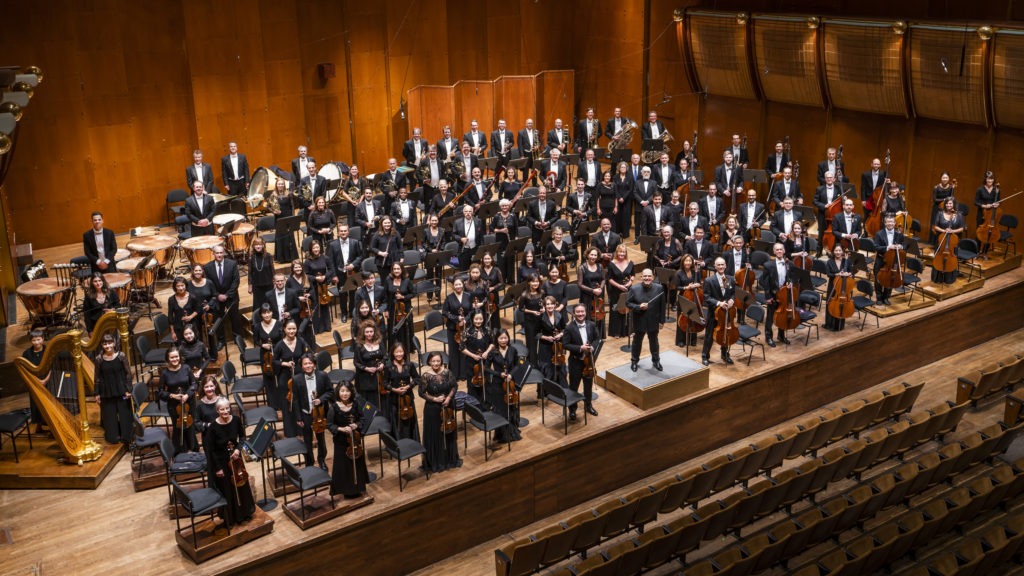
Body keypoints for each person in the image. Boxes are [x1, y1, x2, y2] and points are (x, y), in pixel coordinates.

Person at [204, 397, 255, 527]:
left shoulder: (236, 420)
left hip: (236, 459)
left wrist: (238, 450)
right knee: (227, 488)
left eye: (227, 408)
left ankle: (245, 513)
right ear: (217, 410)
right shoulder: (213, 427)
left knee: (241, 484)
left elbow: (242, 437)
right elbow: (212, 450)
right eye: (222, 409)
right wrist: (218, 468)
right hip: (222, 461)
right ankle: (231, 517)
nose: (225, 411)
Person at [419, 351, 460, 472]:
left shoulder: (447, 372)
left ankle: (449, 459)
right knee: (435, 434)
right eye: (433, 361)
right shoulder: (426, 376)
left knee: (448, 433)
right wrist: (434, 399)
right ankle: (437, 461)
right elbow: (421, 393)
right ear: (429, 362)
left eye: (438, 361)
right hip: (432, 409)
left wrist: (448, 398)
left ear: (441, 361)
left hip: (447, 407)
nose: (436, 363)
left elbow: (454, 386)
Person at [327, 382, 369, 498]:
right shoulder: (334, 408)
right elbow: (329, 425)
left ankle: (358, 488)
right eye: (342, 391)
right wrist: (341, 429)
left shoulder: (356, 404)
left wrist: (356, 425)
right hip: (341, 442)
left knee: (357, 464)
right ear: (338, 392)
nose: (345, 394)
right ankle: (346, 490)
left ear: (351, 392)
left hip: (355, 440)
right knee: (343, 466)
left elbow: (362, 419)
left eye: (347, 391)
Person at [291, 354, 332, 469]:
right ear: (302, 366)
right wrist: (298, 418)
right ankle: (309, 463)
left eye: (310, 363)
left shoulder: (323, 375)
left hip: (319, 414)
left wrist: (321, 399)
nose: (308, 366)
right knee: (307, 440)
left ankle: (322, 460)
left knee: (321, 439)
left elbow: (330, 392)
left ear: (314, 364)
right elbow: (295, 400)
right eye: (305, 364)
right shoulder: (296, 379)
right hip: (306, 414)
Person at [273, 319, 310, 438]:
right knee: (287, 404)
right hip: (285, 378)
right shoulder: (279, 345)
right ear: (284, 329)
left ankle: (301, 430)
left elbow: (306, 355)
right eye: (289, 329)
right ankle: (290, 432)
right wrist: (284, 364)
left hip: (299, 376)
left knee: (299, 402)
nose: (292, 331)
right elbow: (274, 361)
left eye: (294, 328)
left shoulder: (301, 341)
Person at [92, 334, 132, 445]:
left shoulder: (121, 356)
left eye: (110, 343)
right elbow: (97, 377)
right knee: (109, 415)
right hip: (106, 391)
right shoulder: (99, 359)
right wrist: (97, 393)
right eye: (105, 344)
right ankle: (113, 436)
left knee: (125, 413)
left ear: (114, 343)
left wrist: (129, 389)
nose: (108, 346)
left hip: (122, 390)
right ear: (102, 345)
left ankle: (126, 436)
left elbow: (128, 374)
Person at [564, 303, 600, 420]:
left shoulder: (592, 324)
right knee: (574, 386)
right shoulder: (569, 328)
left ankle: (588, 406)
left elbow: (596, 338)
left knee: (588, 385)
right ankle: (572, 410)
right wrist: (580, 348)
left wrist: (592, 348)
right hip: (575, 362)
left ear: (586, 312)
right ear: (574, 314)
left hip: (588, 362)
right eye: (578, 312)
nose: (580, 314)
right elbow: (565, 344)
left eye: (582, 312)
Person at [159, 347, 198, 454]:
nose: (174, 359)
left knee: (189, 425)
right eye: (172, 357)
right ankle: (180, 451)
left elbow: (194, 384)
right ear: (168, 359)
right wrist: (172, 395)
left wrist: (187, 395)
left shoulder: (186, 368)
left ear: (179, 357)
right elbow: (160, 392)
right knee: (178, 428)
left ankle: (193, 448)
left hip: (189, 403)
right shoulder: (165, 373)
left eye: (176, 356)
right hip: (174, 405)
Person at [626, 269, 665, 372]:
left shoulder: (659, 288)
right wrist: (639, 306)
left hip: (653, 320)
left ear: (652, 277)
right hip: (639, 320)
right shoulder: (634, 289)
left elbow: (662, 305)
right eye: (645, 276)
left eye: (649, 276)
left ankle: (656, 360)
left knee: (654, 342)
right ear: (641, 277)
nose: (647, 278)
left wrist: (662, 321)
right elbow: (628, 303)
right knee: (637, 342)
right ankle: (634, 361)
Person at [203, 245, 240, 352]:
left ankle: (237, 338)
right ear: (213, 254)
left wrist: (227, 295)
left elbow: (236, 281)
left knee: (235, 319)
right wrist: (217, 295)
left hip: (231, 297)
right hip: (216, 298)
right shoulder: (207, 267)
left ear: (224, 253)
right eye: (217, 253)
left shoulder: (232, 264)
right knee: (218, 320)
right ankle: (221, 341)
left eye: (221, 253)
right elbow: (210, 284)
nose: (219, 255)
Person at [487, 329, 521, 442]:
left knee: (511, 407)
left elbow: (517, 365)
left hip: (510, 384)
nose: (503, 340)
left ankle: (512, 432)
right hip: (497, 384)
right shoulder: (493, 352)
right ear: (497, 339)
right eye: (501, 338)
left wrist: (511, 374)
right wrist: (498, 374)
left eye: (505, 338)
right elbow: (486, 368)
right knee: (500, 409)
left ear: (508, 338)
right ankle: (501, 434)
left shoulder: (513, 350)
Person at [702, 257, 737, 366]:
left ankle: (725, 354)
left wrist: (731, 300)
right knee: (709, 336)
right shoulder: (709, 281)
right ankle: (705, 356)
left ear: (726, 266)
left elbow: (733, 293)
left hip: (726, 313)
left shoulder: (730, 279)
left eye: (723, 264)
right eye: (719, 265)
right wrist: (719, 303)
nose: (721, 267)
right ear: (715, 266)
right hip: (714, 313)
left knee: (725, 334)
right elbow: (707, 298)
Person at [384, 342, 420, 442]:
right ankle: (398, 442)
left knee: (409, 419)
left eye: (401, 352)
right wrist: (395, 390)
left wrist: (408, 387)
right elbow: (385, 384)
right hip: (394, 399)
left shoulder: (409, 365)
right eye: (396, 352)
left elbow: (417, 379)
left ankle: (411, 440)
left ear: (404, 352)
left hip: (408, 398)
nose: (399, 354)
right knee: (396, 420)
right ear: (393, 353)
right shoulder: (388, 366)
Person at [328, 223, 363, 322]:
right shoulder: (332, 244)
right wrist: (334, 275)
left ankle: (352, 311)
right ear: (338, 233)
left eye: (345, 231)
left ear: (348, 232)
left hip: (353, 272)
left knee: (353, 293)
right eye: (341, 231)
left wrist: (353, 264)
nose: (343, 233)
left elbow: (360, 256)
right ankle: (344, 313)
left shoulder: (355, 242)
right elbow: (330, 262)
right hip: (340, 274)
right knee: (342, 294)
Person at [761, 244, 793, 349]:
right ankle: (768, 337)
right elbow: (763, 281)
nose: (779, 251)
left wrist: (791, 283)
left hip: (785, 296)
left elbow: (793, 278)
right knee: (770, 317)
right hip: (773, 295)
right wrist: (768, 296)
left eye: (781, 249)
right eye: (777, 250)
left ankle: (781, 335)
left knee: (783, 315)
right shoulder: (768, 265)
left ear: (784, 251)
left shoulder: (790, 264)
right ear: (774, 252)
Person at [442, 277, 473, 382]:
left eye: (460, 284)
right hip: (453, 328)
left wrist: (466, 320)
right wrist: (456, 319)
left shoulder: (468, 296)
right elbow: (445, 312)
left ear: (463, 284)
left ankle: (464, 374)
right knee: (454, 350)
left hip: (465, 327)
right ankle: (454, 374)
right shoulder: (449, 298)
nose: (458, 286)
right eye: (456, 285)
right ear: (453, 286)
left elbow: (472, 311)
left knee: (464, 350)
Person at [253, 304, 282, 411]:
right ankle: (273, 405)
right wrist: (262, 345)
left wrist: (275, 347)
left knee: (279, 378)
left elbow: (283, 339)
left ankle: (281, 402)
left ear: (272, 312)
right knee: (269, 380)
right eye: (264, 313)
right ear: (261, 314)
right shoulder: (257, 326)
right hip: (265, 357)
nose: (267, 315)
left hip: (277, 354)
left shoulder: (278, 324)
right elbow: (255, 340)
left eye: (268, 312)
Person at [461, 310, 493, 407]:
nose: (478, 321)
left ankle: (486, 404)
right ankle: (474, 406)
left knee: (486, 381)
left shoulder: (487, 330)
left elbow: (492, 343)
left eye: (480, 319)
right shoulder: (467, 332)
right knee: (472, 384)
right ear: (472, 319)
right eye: (476, 319)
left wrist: (487, 352)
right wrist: (473, 355)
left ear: (483, 319)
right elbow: (462, 348)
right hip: (471, 362)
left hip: (484, 361)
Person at [931, 197, 965, 285]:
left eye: (950, 203)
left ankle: (949, 278)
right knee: (938, 258)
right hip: (941, 240)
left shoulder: (959, 215)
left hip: (952, 243)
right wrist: (944, 231)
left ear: (953, 204)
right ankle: (937, 278)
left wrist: (952, 231)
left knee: (951, 259)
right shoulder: (939, 213)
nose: (948, 205)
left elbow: (962, 228)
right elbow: (935, 226)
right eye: (947, 203)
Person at [353, 320, 386, 410]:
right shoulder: (359, 346)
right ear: (363, 333)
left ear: (374, 332)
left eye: (371, 331)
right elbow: (356, 362)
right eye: (367, 332)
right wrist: (367, 368)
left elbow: (385, 356)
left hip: (380, 377)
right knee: (369, 403)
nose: (369, 334)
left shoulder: (379, 342)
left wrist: (382, 364)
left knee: (381, 400)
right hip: (366, 379)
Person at [873, 214, 906, 304]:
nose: (890, 223)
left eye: (892, 222)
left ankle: (886, 297)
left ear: (895, 223)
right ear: (885, 223)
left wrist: (901, 246)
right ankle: (879, 298)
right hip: (881, 259)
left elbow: (905, 244)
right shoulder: (879, 234)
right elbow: (876, 247)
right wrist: (888, 247)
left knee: (891, 279)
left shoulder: (899, 234)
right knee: (878, 279)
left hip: (893, 261)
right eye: (888, 222)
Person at [303, 240, 333, 335]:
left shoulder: (325, 258)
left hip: (323, 286)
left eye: (317, 247)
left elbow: (331, 270)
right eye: (314, 248)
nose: (316, 249)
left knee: (325, 303)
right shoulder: (307, 261)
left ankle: (326, 326)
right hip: (313, 286)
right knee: (316, 305)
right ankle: (317, 328)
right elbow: (305, 275)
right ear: (311, 249)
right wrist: (315, 278)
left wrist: (325, 276)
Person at [22, 330, 49, 433]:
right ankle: (39, 425)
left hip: (48, 380)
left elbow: (51, 366)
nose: (37, 342)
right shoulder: (27, 354)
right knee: (36, 403)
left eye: (39, 339)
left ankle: (49, 421)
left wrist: (46, 380)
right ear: (30, 341)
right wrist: (38, 381)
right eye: (34, 340)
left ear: (43, 339)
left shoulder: (47, 349)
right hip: (34, 382)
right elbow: (27, 370)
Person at [384, 261, 414, 352]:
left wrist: (403, 297)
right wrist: (386, 310)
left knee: (405, 328)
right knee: (392, 329)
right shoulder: (388, 279)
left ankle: (406, 349)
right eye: (394, 269)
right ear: (392, 270)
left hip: (404, 309)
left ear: (402, 270)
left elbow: (413, 293)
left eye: (398, 269)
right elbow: (385, 295)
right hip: (392, 308)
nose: (396, 271)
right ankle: (393, 350)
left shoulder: (407, 280)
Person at [606, 245, 635, 339]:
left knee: (628, 309)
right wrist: (619, 286)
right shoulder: (611, 264)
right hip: (615, 290)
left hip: (627, 289)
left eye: (623, 252)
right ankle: (616, 331)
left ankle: (629, 331)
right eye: (620, 252)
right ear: (616, 253)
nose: (622, 254)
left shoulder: (630, 263)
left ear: (626, 253)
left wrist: (630, 283)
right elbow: (609, 279)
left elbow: (633, 275)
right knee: (616, 310)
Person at [675, 254, 703, 347]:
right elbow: (676, 287)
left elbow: (700, 282)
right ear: (683, 262)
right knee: (682, 319)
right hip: (683, 298)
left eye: (689, 261)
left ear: (692, 262)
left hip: (694, 297)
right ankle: (681, 340)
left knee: (694, 318)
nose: (688, 263)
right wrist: (686, 287)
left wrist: (697, 285)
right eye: (686, 261)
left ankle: (693, 339)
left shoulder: (696, 271)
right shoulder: (679, 273)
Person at [578, 247, 607, 337]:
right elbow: (580, 284)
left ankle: (599, 335)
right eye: (591, 254)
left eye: (595, 255)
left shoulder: (600, 266)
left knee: (599, 314)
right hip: (587, 296)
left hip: (598, 294)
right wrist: (592, 290)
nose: (593, 257)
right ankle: (589, 335)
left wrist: (601, 288)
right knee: (588, 315)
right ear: (587, 255)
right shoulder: (582, 268)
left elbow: (603, 279)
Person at [538, 296, 567, 385]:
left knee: (560, 365)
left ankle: (561, 387)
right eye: (547, 304)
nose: (550, 306)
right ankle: (547, 390)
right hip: (545, 346)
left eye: (552, 304)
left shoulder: (559, 315)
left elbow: (565, 329)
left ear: (555, 305)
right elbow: (536, 333)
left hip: (558, 345)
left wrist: (561, 334)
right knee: (547, 367)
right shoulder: (540, 317)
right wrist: (546, 337)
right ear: (544, 306)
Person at [824, 245, 853, 331]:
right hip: (833, 286)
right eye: (836, 251)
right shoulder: (830, 261)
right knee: (830, 304)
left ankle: (840, 325)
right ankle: (829, 324)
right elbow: (828, 274)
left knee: (842, 304)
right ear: (833, 252)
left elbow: (852, 272)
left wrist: (849, 274)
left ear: (842, 252)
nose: (838, 252)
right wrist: (837, 274)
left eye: (840, 250)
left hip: (843, 288)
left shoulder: (846, 261)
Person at [517, 274, 545, 366]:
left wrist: (544, 308)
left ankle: (541, 362)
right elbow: (521, 308)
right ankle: (533, 364)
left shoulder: (542, 293)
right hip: (530, 322)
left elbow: (545, 303)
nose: (535, 283)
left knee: (541, 341)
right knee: (531, 343)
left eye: (537, 281)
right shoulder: (524, 295)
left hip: (541, 320)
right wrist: (532, 312)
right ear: (529, 282)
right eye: (533, 281)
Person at [813, 171, 842, 256]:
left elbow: (840, 201)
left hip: (834, 215)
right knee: (821, 233)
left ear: (834, 179)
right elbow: (815, 201)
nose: (829, 179)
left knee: (833, 233)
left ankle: (830, 250)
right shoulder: (819, 189)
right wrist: (824, 205)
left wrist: (844, 199)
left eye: (831, 178)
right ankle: (819, 251)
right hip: (822, 214)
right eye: (827, 178)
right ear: (825, 179)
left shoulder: (838, 188)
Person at [271, 177, 299, 264]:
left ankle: (291, 257)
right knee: (280, 237)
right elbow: (268, 206)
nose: (280, 185)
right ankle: (281, 258)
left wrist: (293, 217)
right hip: (278, 218)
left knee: (289, 236)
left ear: (284, 185)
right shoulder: (273, 195)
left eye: (282, 184)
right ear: (276, 185)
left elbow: (292, 206)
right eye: (279, 184)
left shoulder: (289, 194)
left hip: (288, 217)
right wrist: (274, 211)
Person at [975, 171, 1000, 257]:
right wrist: (984, 205)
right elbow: (975, 202)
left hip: (991, 215)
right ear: (985, 179)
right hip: (981, 213)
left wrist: (997, 204)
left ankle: (985, 252)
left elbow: (998, 201)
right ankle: (977, 251)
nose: (990, 180)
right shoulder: (980, 189)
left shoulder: (996, 190)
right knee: (979, 232)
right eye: (988, 178)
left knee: (990, 233)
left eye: (992, 179)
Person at [247, 237, 274, 314]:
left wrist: (274, 281)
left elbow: (272, 270)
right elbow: (250, 272)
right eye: (256, 245)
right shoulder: (251, 258)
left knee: (270, 304)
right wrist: (250, 285)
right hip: (257, 286)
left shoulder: (268, 256)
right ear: (253, 246)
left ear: (263, 245)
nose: (258, 246)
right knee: (258, 306)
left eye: (260, 244)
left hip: (268, 285)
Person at [930, 172, 956, 244]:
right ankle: (933, 242)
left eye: (946, 178)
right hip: (937, 208)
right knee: (935, 225)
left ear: (949, 179)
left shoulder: (951, 187)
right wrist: (944, 200)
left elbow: (951, 198)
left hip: (946, 209)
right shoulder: (936, 187)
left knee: (942, 224)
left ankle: (942, 242)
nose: (945, 179)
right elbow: (935, 199)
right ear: (941, 178)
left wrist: (953, 189)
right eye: (943, 177)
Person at [613, 161, 634, 237]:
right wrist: (619, 197)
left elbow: (630, 189)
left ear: (626, 168)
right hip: (618, 200)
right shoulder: (615, 177)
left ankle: (625, 233)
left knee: (626, 216)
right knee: (618, 216)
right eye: (621, 167)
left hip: (627, 200)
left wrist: (623, 198)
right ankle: (618, 232)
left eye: (624, 167)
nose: (623, 168)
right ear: (619, 168)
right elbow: (615, 188)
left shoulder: (630, 176)